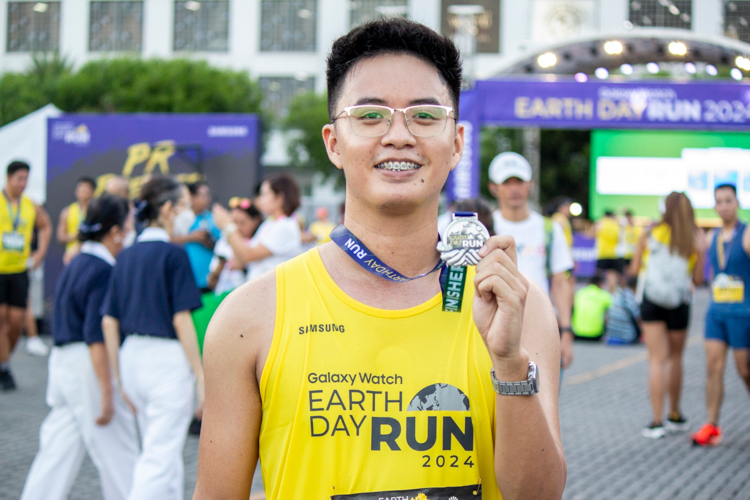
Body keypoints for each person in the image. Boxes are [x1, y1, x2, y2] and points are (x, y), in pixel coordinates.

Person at [194, 18, 566, 499]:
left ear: (455, 144)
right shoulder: (250, 316)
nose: (399, 135)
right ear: (333, 142)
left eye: (425, 116)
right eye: (370, 116)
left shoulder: (517, 309)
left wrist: (510, 365)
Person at [21, 195, 138, 500]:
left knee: (57, 452)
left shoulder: (79, 262)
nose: (130, 230)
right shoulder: (102, 269)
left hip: (64, 364)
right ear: (114, 231)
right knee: (119, 453)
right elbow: (95, 334)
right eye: (127, 223)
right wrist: (107, 391)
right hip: (87, 366)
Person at [102, 176, 205, 499]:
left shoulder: (126, 256)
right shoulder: (174, 255)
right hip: (166, 365)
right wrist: (201, 374)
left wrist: (119, 377)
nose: (188, 212)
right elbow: (181, 319)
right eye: (186, 205)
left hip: (132, 360)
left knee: (162, 454)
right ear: (169, 209)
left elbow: (109, 319)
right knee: (160, 457)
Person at [488, 151, 575, 370]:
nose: (514, 188)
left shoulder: (550, 228)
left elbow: (560, 281)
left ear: (531, 185)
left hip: (541, 326)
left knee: (544, 400)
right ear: (494, 188)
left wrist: (565, 332)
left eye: (520, 182)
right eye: (507, 182)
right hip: (494, 326)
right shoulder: (485, 229)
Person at [630, 191, 705, 439]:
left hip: (651, 301)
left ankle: (656, 421)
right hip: (679, 303)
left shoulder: (650, 234)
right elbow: (697, 279)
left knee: (656, 360)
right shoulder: (694, 238)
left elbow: (633, 269)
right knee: (676, 358)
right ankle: (675, 414)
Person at [692, 184, 750, 447]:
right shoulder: (711, 237)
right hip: (716, 313)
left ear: (737, 203)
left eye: (728, 200)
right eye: (719, 201)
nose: (724, 205)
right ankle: (712, 424)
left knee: (744, 370)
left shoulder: (747, 234)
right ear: (714, 206)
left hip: (742, 313)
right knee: (712, 367)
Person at [0, 161, 52, 391]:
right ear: (8, 178)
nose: (23, 183)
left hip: (20, 270)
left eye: (26, 179)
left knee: (15, 323)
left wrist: (40, 253)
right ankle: (4, 368)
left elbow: (45, 226)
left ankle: (4, 361)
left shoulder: (30, 205)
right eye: (19, 178)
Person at [212, 173, 302, 283]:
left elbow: (247, 256)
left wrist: (227, 225)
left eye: (264, 194)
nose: (260, 200)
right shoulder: (269, 224)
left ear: (279, 198)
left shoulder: (285, 226)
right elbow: (240, 259)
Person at [206, 197, 263, 296]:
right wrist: (220, 266)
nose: (237, 227)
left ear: (255, 221)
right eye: (233, 223)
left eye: (242, 222)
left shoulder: (259, 242)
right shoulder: (223, 243)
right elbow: (211, 283)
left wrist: (243, 268)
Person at [171, 181, 219, 292]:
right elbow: (166, 240)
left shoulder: (213, 218)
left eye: (208, 195)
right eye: (203, 196)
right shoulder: (180, 218)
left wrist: (210, 243)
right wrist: (192, 237)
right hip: (185, 278)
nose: (207, 199)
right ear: (191, 197)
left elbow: (222, 245)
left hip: (209, 279)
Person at [58, 177, 96, 265]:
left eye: (86, 188)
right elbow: (61, 236)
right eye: (80, 188)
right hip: (72, 257)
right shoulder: (67, 211)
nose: (83, 191)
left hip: (92, 255)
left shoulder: (97, 210)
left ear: (92, 191)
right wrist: (77, 236)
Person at [571, 273, 612, 341]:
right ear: (600, 284)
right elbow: (616, 308)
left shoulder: (580, 293)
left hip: (577, 334)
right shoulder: (603, 295)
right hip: (595, 335)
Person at [604, 275, 641, 345]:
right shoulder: (630, 297)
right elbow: (639, 318)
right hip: (625, 338)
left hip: (610, 338)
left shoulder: (617, 294)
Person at [595, 210, 622, 292]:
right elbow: (619, 239)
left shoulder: (601, 223)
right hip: (613, 254)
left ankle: (597, 291)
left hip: (602, 253)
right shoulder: (616, 224)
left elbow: (592, 234)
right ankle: (611, 293)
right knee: (612, 275)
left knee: (598, 274)